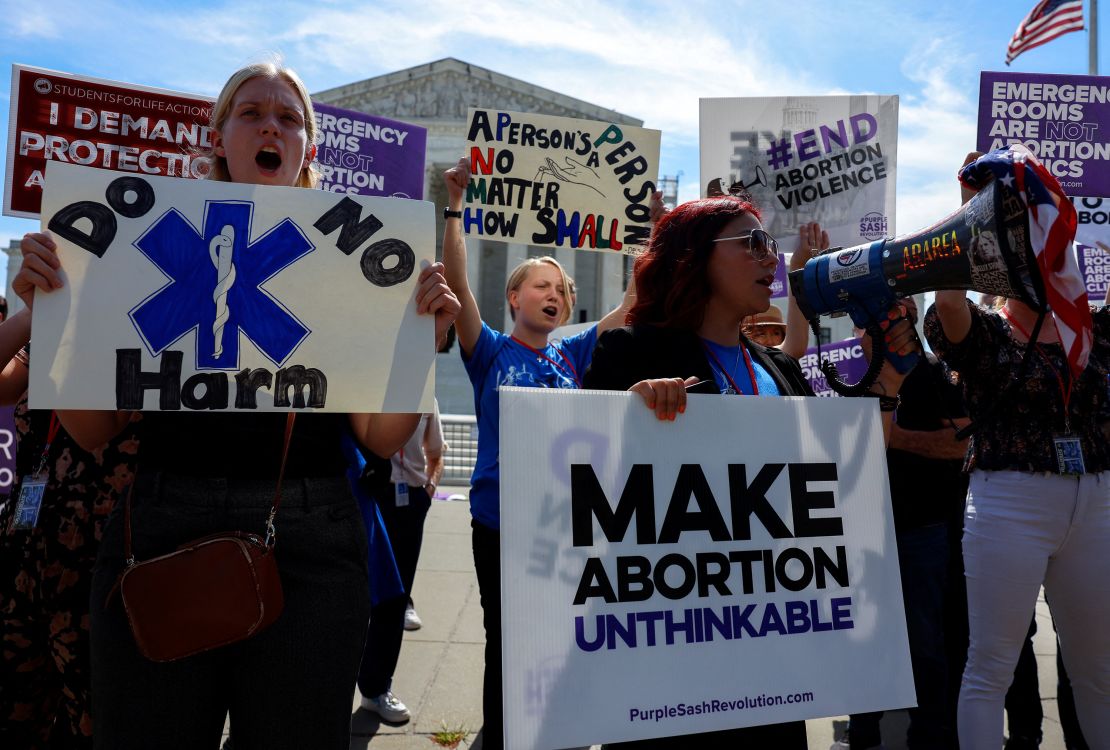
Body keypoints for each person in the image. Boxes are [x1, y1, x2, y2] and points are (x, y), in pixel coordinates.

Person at [14, 61, 459, 750]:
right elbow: (95, 431)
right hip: (162, 528)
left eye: (288, 117)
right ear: (219, 136)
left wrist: (416, 347)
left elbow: (379, 437)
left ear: (308, 145)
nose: (270, 126)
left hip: (309, 541)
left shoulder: (352, 260)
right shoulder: (135, 244)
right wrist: (59, 318)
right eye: (252, 113)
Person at [583, 194, 917, 748]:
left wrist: (888, 388)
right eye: (753, 243)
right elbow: (584, 482)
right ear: (695, 258)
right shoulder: (633, 351)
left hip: (769, 660)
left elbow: (840, 486)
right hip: (668, 664)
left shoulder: (781, 368)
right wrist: (628, 412)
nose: (772, 258)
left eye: (771, 244)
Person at [440, 156, 650, 749]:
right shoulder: (489, 352)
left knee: (564, 636)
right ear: (514, 297)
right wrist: (455, 208)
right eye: (541, 285)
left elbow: (630, 308)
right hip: (502, 524)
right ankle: (503, 735)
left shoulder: (571, 355)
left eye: (562, 289)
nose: (554, 294)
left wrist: (647, 248)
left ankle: (556, 726)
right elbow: (457, 286)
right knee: (507, 639)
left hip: (567, 527)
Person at [927, 164, 1110, 745]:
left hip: (1098, 501)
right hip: (1011, 499)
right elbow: (949, 300)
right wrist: (971, 213)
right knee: (992, 666)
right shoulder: (984, 333)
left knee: (1099, 671)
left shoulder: (1093, 330)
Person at [356, 401, 446, 723]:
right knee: (355, 595)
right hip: (371, 493)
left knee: (396, 598)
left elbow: (436, 451)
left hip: (410, 501)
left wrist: (429, 491)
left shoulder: (427, 396)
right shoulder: (370, 384)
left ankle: (375, 689)